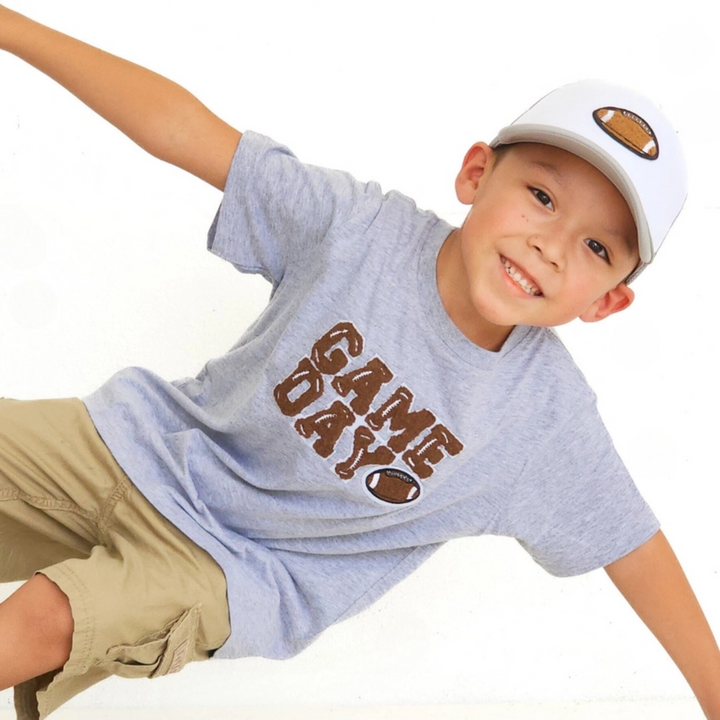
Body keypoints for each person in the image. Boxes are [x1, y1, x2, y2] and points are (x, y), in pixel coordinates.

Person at [1, 5, 719, 720]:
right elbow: (188, 133)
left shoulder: (543, 420)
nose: (552, 245)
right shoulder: (359, 231)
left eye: (597, 248)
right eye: (541, 195)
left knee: (47, 613)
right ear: (475, 174)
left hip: (235, 570)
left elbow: (636, 550)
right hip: (139, 447)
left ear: (607, 303)